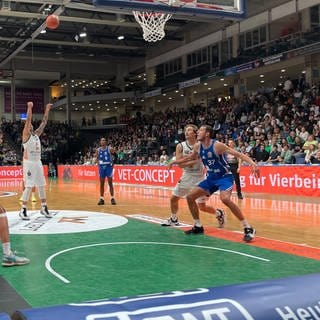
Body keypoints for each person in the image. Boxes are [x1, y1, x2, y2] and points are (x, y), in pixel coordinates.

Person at [168, 125, 259, 242]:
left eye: (200, 130)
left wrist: (253, 164)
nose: (198, 132)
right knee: (190, 197)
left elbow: (238, 154)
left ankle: (248, 227)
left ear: (207, 133)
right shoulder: (197, 146)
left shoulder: (217, 145)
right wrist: (174, 162)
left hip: (224, 177)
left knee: (225, 199)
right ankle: (198, 226)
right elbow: (190, 157)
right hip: (211, 178)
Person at [162, 124, 225, 228]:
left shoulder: (202, 144)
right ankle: (173, 219)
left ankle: (219, 213)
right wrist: (194, 161)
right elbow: (180, 164)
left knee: (202, 206)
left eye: (189, 130)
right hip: (187, 176)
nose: (186, 132)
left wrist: (190, 161)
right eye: (185, 130)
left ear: (195, 133)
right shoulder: (181, 146)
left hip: (200, 177)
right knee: (173, 198)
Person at [19, 101, 52, 220]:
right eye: (29, 125)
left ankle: (44, 207)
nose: (31, 125)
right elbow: (28, 120)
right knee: (28, 186)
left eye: (32, 125)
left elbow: (44, 122)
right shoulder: (26, 135)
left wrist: (47, 109)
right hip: (29, 163)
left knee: (42, 185)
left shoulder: (36, 134)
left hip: (38, 162)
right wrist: (29, 107)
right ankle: (23, 209)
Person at [95, 137, 116, 205]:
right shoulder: (98, 150)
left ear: (106, 142)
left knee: (110, 183)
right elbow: (97, 158)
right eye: (101, 140)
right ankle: (102, 199)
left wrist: (113, 163)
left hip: (108, 167)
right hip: (101, 167)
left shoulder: (110, 148)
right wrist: (98, 165)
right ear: (100, 142)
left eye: (104, 140)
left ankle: (112, 198)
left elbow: (116, 155)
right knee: (101, 183)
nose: (103, 141)